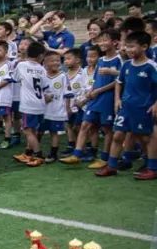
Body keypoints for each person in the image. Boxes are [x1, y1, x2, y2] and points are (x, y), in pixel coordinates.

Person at [96, 31, 157, 178]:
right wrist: (117, 99)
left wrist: (156, 104)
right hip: (126, 108)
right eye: (126, 46)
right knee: (117, 136)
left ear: (144, 46)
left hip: (143, 108)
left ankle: (153, 168)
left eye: (132, 47)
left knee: (145, 138)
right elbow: (119, 82)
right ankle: (111, 166)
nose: (128, 50)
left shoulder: (151, 66)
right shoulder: (127, 65)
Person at [63, 30, 120, 167]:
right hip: (95, 98)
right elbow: (95, 80)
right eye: (100, 40)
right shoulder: (101, 60)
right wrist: (90, 93)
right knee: (85, 125)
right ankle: (76, 155)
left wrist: (99, 90)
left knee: (107, 129)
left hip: (107, 98)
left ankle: (104, 158)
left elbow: (119, 81)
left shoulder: (118, 60)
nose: (102, 43)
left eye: (105, 40)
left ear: (115, 42)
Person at [12, 40, 50, 166]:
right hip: (40, 103)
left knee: (28, 130)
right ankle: (28, 153)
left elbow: (15, 79)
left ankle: (38, 155)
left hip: (28, 105)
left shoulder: (21, 65)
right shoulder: (42, 69)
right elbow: (45, 86)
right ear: (40, 56)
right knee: (32, 130)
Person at [39, 52, 71, 162]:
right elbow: (38, 92)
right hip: (43, 110)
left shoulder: (63, 76)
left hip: (57, 110)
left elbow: (67, 94)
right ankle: (36, 151)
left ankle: (53, 154)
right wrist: (44, 97)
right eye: (52, 61)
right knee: (39, 131)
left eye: (58, 60)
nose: (56, 63)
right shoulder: (42, 76)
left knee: (54, 132)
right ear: (45, 63)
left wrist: (67, 109)